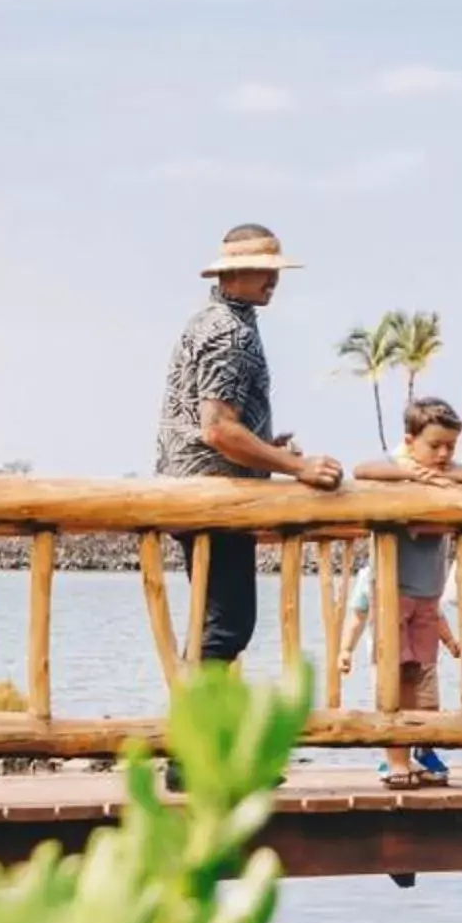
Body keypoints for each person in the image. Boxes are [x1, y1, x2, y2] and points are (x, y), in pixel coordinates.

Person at [153, 223, 345, 664]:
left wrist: (264, 449)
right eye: (262, 269)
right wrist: (298, 466)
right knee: (226, 628)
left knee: (217, 624)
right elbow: (218, 429)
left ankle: (199, 725)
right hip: (215, 496)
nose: (273, 280)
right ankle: (199, 730)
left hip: (191, 490)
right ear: (232, 274)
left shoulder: (208, 321)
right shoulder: (231, 334)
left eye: (274, 269)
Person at [342, 397, 462, 787]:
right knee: (393, 673)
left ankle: (416, 748)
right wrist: (413, 475)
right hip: (393, 592)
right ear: (409, 440)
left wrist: (450, 477)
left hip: (428, 596)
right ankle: (393, 758)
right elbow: (361, 470)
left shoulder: (445, 470)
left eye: (451, 445)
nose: (444, 453)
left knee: (418, 672)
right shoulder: (399, 468)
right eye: (435, 445)